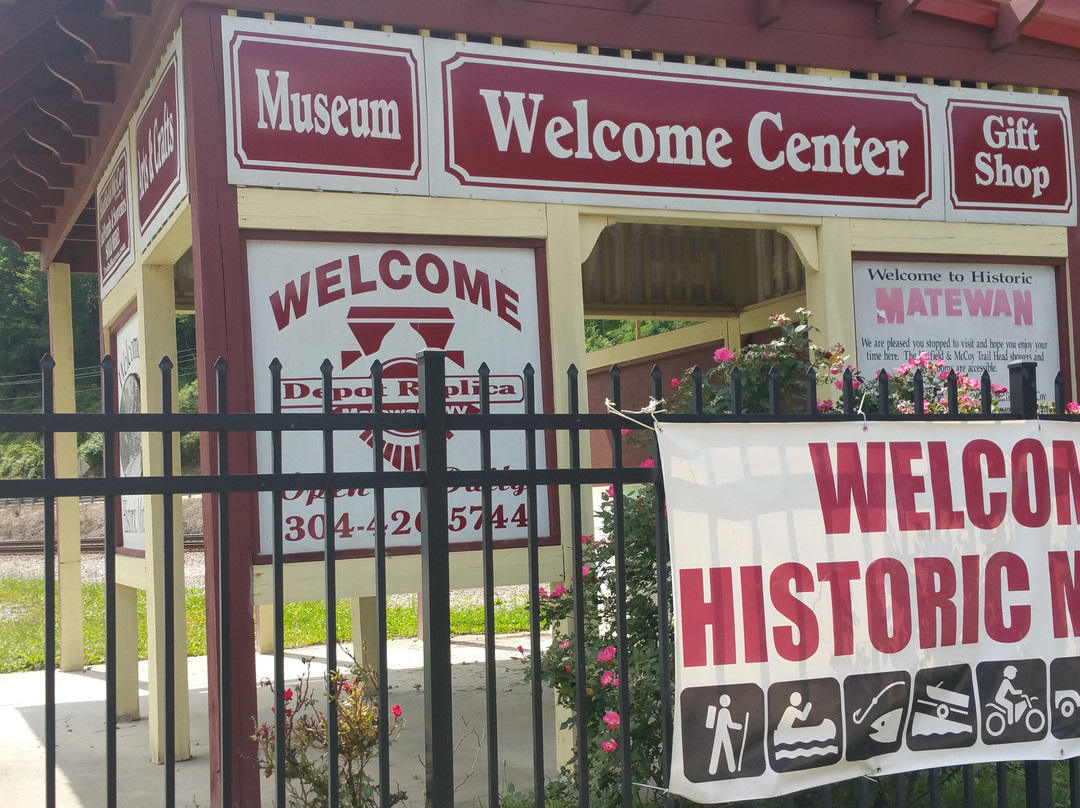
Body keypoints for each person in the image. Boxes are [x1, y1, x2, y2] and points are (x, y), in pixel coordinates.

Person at [708, 693, 744, 774]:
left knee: (719, 750)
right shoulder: (724, 711)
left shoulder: (721, 710)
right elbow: (730, 724)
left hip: (722, 732)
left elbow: (711, 724)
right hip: (721, 732)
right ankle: (730, 768)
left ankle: (714, 770)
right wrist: (739, 726)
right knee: (726, 749)